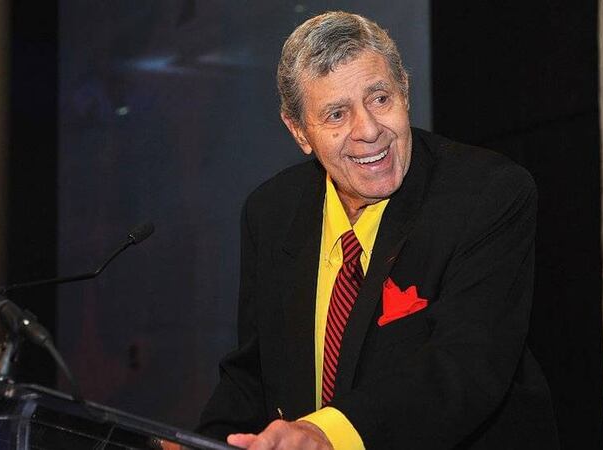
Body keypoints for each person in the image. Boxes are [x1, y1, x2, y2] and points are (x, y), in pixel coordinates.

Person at [196, 11, 558, 450]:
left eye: (380, 98)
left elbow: (463, 366)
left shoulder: (488, 193)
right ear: (299, 131)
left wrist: (326, 434)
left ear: (404, 90)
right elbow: (253, 374)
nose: (368, 130)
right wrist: (200, 441)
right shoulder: (271, 212)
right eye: (336, 114)